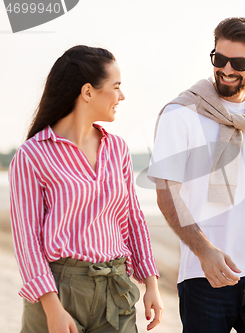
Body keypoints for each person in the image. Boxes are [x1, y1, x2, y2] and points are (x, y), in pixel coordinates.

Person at [148, 17, 245, 333]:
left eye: (238, 62)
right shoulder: (181, 113)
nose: (226, 69)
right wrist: (204, 252)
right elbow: (167, 194)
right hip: (203, 274)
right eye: (219, 59)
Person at [9, 45, 163, 333]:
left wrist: (150, 282)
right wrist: (52, 307)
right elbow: (27, 240)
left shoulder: (116, 149)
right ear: (88, 92)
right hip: (58, 290)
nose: (122, 96)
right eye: (116, 87)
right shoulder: (32, 155)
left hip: (115, 288)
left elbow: (132, 218)